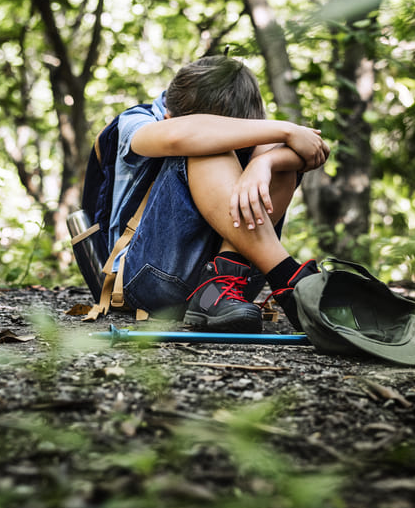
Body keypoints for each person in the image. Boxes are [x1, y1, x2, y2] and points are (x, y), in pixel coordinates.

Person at [109, 55, 330, 332]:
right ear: (168, 115)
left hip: (229, 294)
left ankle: (222, 281)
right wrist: (287, 129)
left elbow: (313, 151)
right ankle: (289, 277)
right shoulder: (137, 120)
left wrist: (265, 161)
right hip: (154, 279)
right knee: (204, 144)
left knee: (273, 149)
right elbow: (178, 136)